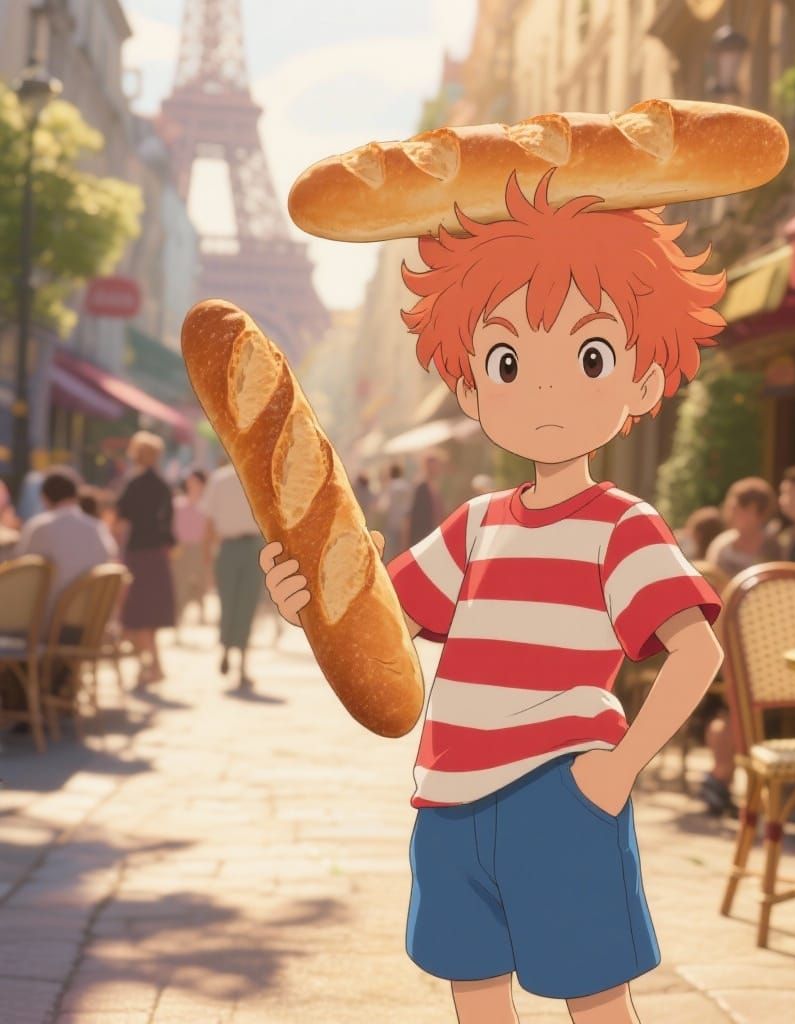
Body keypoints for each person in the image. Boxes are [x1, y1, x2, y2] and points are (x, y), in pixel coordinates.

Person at [261, 170, 726, 1021]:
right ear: (472, 386)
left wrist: (619, 773)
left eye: (588, 355)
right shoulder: (475, 524)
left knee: (595, 1002)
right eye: (510, 359)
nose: (544, 388)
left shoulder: (622, 524)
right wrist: (308, 605)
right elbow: (386, 625)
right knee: (474, 994)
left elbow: (699, 650)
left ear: (643, 380)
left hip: (562, 791)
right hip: (447, 797)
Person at [15, 467, 118, 626]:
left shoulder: (39, 527)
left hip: (44, 625)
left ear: (44, 498)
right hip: (90, 625)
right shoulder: (98, 528)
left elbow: (21, 575)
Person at [115, 432, 177, 685]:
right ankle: (153, 664)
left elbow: (120, 520)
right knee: (151, 613)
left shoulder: (134, 484)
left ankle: (147, 665)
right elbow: (169, 524)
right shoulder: (163, 486)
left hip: (137, 552)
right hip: (158, 554)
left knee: (137, 612)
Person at [203, 459, 263, 690]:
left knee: (232, 604)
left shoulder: (223, 479)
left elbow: (208, 524)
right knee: (243, 605)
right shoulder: (229, 479)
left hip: (235, 548)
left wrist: (207, 558)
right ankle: (234, 655)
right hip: (243, 548)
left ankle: (234, 655)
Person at [705, 477, 782, 580]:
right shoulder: (722, 546)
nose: (729, 514)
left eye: (735, 509)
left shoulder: (773, 548)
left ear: (754, 510)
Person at [172, 469, 210, 632]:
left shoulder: (207, 505)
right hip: (182, 549)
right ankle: (178, 619)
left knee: (201, 585)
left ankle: (201, 615)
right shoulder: (178, 503)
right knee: (180, 585)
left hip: (200, 548)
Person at [407, 448, 447, 547]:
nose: (437, 468)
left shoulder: (433, 486)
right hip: (423, 536)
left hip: (432, 535)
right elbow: (416, 516)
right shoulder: (422, 486)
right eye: (435, 465)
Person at [379, 462, 413, 555]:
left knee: (391, 553)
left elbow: (383, 508)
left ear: (390, 473)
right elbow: (409, 507)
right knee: (402, 552)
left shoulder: (390, 487)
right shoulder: (407, 486)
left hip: (392, 524)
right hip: (404, 524)